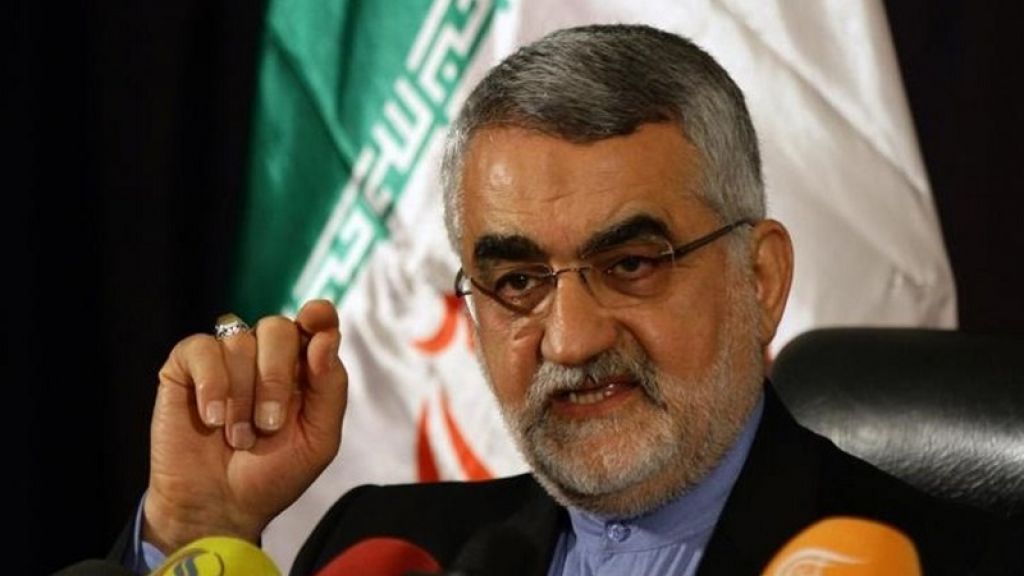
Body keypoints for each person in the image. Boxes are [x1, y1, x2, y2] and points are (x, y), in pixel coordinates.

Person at [111, 24, 1018, 575]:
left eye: (632, 264)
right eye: (518, 282)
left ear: (761, 280)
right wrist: (199, 531)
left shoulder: (954, 563)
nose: (572, 340)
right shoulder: (390, 550)